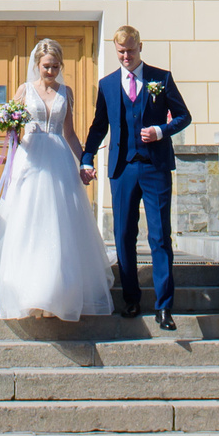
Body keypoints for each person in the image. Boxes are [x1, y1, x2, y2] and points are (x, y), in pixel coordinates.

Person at [0, 39, 114, 321]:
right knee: (29, 222)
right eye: (46, 67)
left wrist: (85, 161)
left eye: (55, 67)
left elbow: (70, 133)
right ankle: (28, 291)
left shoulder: (66, 92)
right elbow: (11, 128)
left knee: (59, 225)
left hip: (59, 160)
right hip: (31, 159)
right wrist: (8, 143)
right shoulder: (25, 90)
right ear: (37, 65)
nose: (51, 71)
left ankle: (57, 291)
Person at [78, 25, 194, 328]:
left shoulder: (161, 78)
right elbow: (98, 126)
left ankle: (164, 307)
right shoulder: (107, 85)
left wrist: (161, 130)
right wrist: (87, 157)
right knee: (124, 236)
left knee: (159, 237)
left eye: (130, 50)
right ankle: (130, 299)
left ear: (140, 47)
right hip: (122, 169)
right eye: (120, 52)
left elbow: (184, 116)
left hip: (155, 168)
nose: (126, 56)